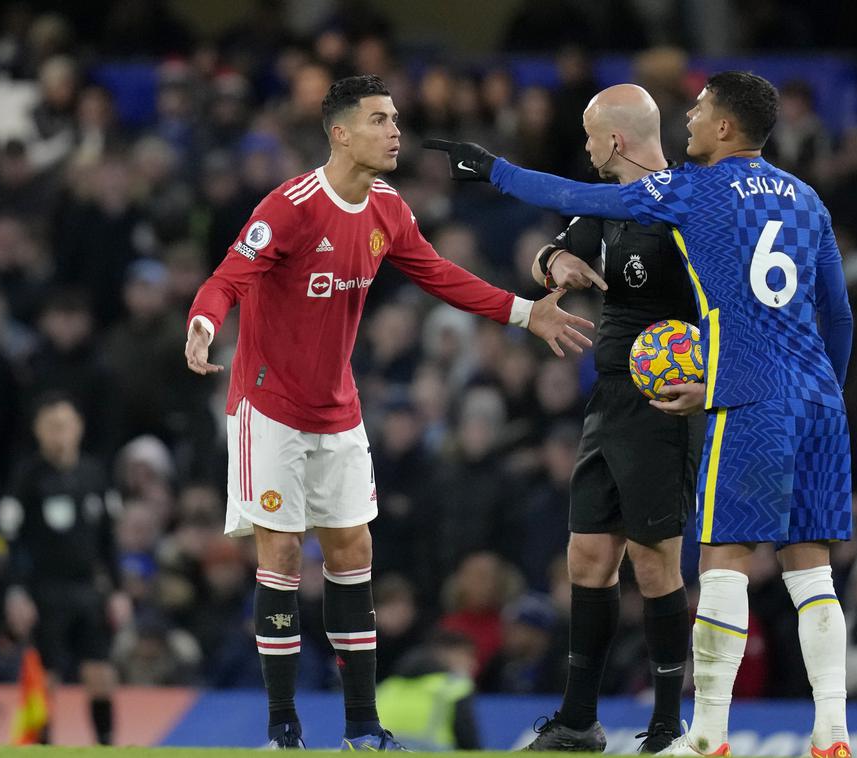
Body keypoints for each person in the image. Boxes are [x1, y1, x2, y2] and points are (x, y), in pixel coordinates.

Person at [427, 70, 854, 758]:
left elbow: (572, 192)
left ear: (724, 127)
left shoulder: (690, 190)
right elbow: (838, 312)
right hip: (814, 397)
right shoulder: (808, 200)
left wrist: (495, 169)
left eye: (700, 108)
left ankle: (703, 731)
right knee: (813, 572)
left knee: (718, 566)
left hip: (738, 393)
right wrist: (828, 389)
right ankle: (831, 729)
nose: (690, 117)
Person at [184, 74, 594, 750]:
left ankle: (363, 728)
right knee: (282, 554)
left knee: (354, 550)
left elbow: (439, 274)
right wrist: (203, 323)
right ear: (340, 133)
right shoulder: (290, 206)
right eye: (380, 119)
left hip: (337, 408)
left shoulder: (388, 209)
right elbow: (229, 273)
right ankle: (283, 729)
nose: (396, 130)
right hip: (270, 406)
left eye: (396, 118)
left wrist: (523, 312)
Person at [519, 84, 701, 754]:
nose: (588, 148)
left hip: (664, 401)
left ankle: (666, 726)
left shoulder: (688, 204)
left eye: (593, 137)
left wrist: (708, 371)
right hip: (610, 399)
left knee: (656, 563)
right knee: (588, 556)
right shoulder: (602, 205)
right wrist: (554, 260)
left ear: (617, 140)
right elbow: (544, 255)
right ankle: (577, 721)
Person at [0, 393, 123, 744]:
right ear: (38, 431)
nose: (59, 434)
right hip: (44, 591)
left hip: (88, 589)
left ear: (78, 428)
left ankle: (106, 744)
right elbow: (13, 539)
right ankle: (43, 746)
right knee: (45, 677)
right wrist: (17, 591)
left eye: (65, 425)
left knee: (100, 673)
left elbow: (108, 540)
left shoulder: (95, 473)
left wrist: (117, 591)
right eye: (51, 427)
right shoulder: (26, 477)